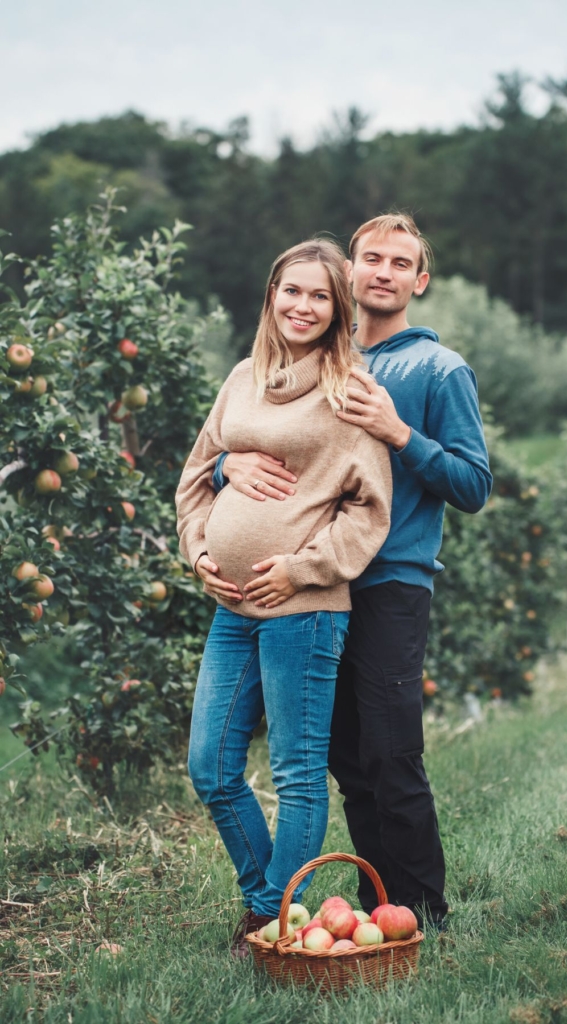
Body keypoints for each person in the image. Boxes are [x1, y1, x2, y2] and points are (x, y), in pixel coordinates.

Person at [211, 214, 492, 930]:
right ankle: (378, 905)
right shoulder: (317, 359)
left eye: (401, 263)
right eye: (370, 258)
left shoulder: (435, 370)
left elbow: (471, 486)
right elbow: (260, 441)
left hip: (389, 581)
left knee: (391, 751)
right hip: (311, 594)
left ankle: (422, 913)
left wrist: (397, 431)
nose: (383, 272)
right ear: (348, 274)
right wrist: (223, 464)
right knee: (343, 761)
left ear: (419, 281)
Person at [175, 238, 392, 954]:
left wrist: (302, 569)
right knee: (210, 765)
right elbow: (196, 472)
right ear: (271, 295)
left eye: (319, 296)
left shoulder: (349, 392)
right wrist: (200, 548)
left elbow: (368, 511)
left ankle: (269, 917)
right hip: (231, 605)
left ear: (337, 310)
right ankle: (270, 904)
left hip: (304, 610)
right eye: (290, 291)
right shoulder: (242, 378)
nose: (302, 305)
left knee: (298, 773)